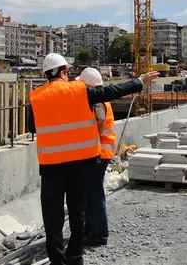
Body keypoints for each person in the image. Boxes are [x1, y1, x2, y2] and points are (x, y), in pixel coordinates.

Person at [27, 53, 158, 265]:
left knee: (52, 218)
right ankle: (75, 258)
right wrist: (140, 82)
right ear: (62, 72)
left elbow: (33, 127)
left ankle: (57, 261)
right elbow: (111, 91)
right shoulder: (79, 90)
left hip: (51, 168)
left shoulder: (36, 97)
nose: (69, 76)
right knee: (78, 214)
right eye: (68, 72)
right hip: (80, 165)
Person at [74, 68, 114, 247]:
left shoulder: (97, 101)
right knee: (91, 194)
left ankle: (98, 234)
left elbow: (99, 120)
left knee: (95, 195)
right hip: (100, 152)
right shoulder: (100, 98)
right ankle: (90, 230)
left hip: (98, 153)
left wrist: (91, 142)